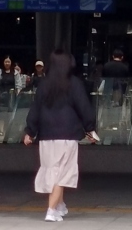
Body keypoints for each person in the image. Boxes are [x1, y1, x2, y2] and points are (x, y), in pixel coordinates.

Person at [24, 50, 99, 223]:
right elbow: (84, 108)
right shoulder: (74, 83)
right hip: (67, 134)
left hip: (46, 136)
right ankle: (51, 210)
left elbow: (35, 109)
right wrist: (90, 128)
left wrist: (30, 131)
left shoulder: (44, 84)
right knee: (63, 173)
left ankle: (60, 205)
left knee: (52, 170)